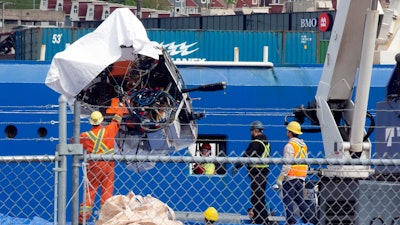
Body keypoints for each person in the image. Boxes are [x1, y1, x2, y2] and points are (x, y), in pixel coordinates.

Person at [78, 98, 125, 224]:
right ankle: (106, 220)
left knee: (90, 192)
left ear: (91, 122)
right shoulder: (108, 130)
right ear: (101, 121)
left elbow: (74, 142)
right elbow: (116, 121)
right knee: (107, 192)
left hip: (93, 166)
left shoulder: (85, 136)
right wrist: (120, 106)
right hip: (108, 165)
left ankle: (82, 220)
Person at [276, 121, 317, 225]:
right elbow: (306, 161)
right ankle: (310, 220)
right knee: (300, 201)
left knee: (288, 200)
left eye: (288, 131)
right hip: (301, 177)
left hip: (290, 177)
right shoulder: (303, 146)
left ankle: (291, 221)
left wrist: (281, 177)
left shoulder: (289, 146)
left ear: (290, 132)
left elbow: (287, 163)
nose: (287, 132)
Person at [234, 120, 271, 225]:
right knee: (259, 197)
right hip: (263, 173)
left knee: (257, 198)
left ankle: (262, 220)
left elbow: (247, 155)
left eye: (251, 131)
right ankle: (261, 219)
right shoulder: (266, 142)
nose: (251, 133)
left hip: (257, 173)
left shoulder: (256, 142)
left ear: (255, 130)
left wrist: (238, 166)